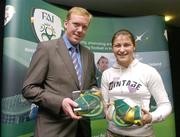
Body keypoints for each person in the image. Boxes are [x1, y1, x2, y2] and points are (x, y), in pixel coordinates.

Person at [22, 7, 97, 137]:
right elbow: (29, 89)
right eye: (76, 24)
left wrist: (96, 93)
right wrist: (60, 102)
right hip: (53, 129)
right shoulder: (46, 48)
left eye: (84, 27)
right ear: (66, 23)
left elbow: (91, 85)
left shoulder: (89, 55)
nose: (80, 30)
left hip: (82, 129)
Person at [100, 29, 172, 137]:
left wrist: (151, 117)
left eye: (126, 45)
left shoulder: (148, 71)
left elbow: (165, 105)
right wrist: (107, 112)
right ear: (112, 48)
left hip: (143, 134)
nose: (122, 49)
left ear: (134, 46)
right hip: (112, 134)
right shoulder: (107, 74)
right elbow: (105, 107)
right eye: (117, 45)